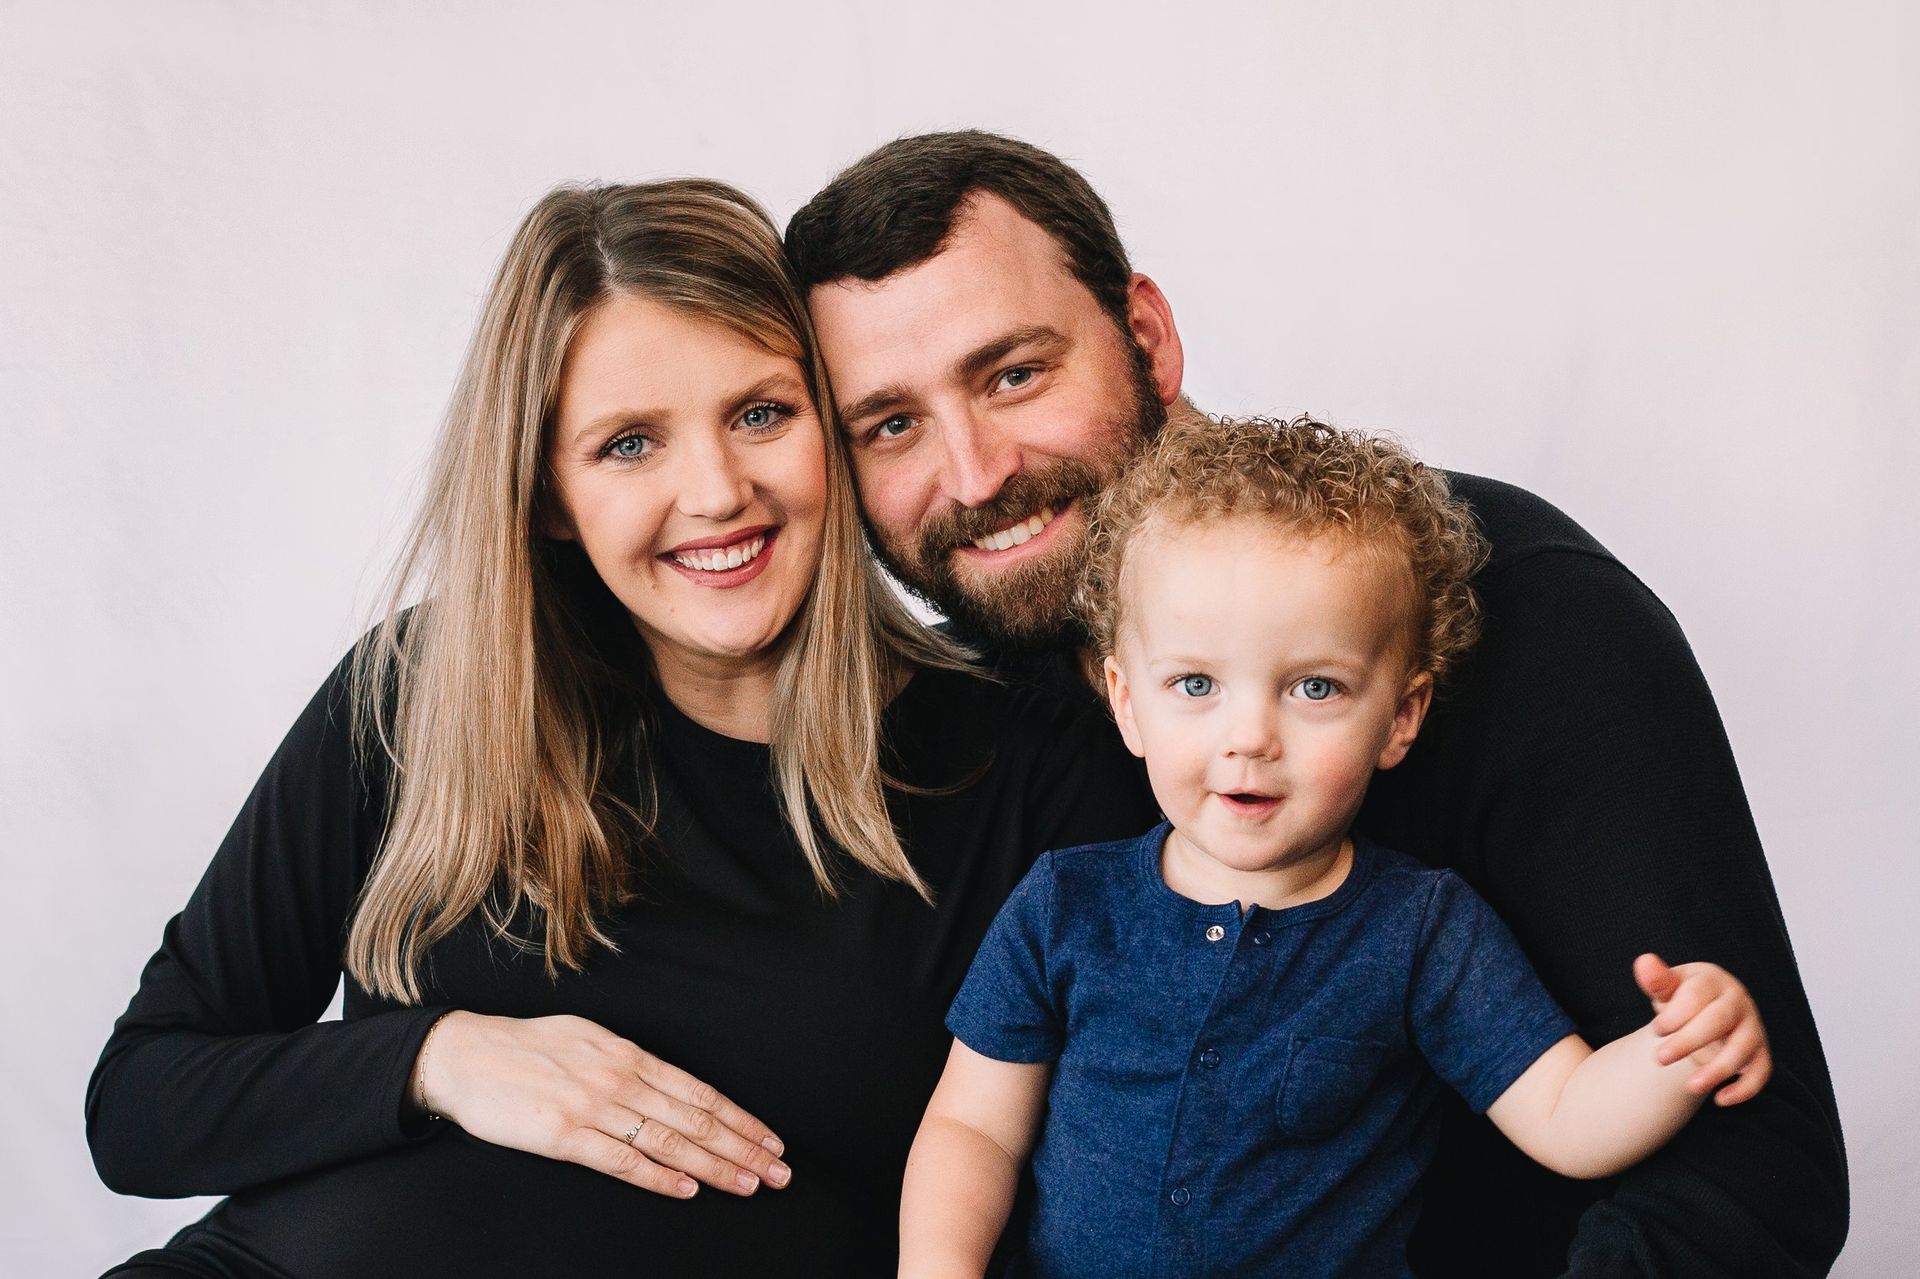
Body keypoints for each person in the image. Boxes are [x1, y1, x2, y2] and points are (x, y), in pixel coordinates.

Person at [786, 132, 1848, 1274]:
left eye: (1015, 374)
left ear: (1145, 336)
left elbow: (1751, 1176)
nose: (976, 471)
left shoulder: (1520, 613)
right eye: (889, 424)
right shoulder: (957, 711)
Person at [85, 179, 1157, 1278]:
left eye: (759, 413)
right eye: (629, 444)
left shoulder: (1035, 775)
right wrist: (441, 1059)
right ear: (548, 490)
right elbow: (141, 1102)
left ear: (832, 434)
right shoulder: (423, 692)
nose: (715, 491)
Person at [897, 411, 1774, 1278]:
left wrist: (1678, 1051)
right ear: (1126, 700)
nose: (1251, 737)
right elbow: (974, 1125)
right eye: (1195, 682)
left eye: (1314, 687)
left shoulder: (1421, 931)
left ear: (1400, 717)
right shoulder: (1066, 907)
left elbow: (1563, 1113)